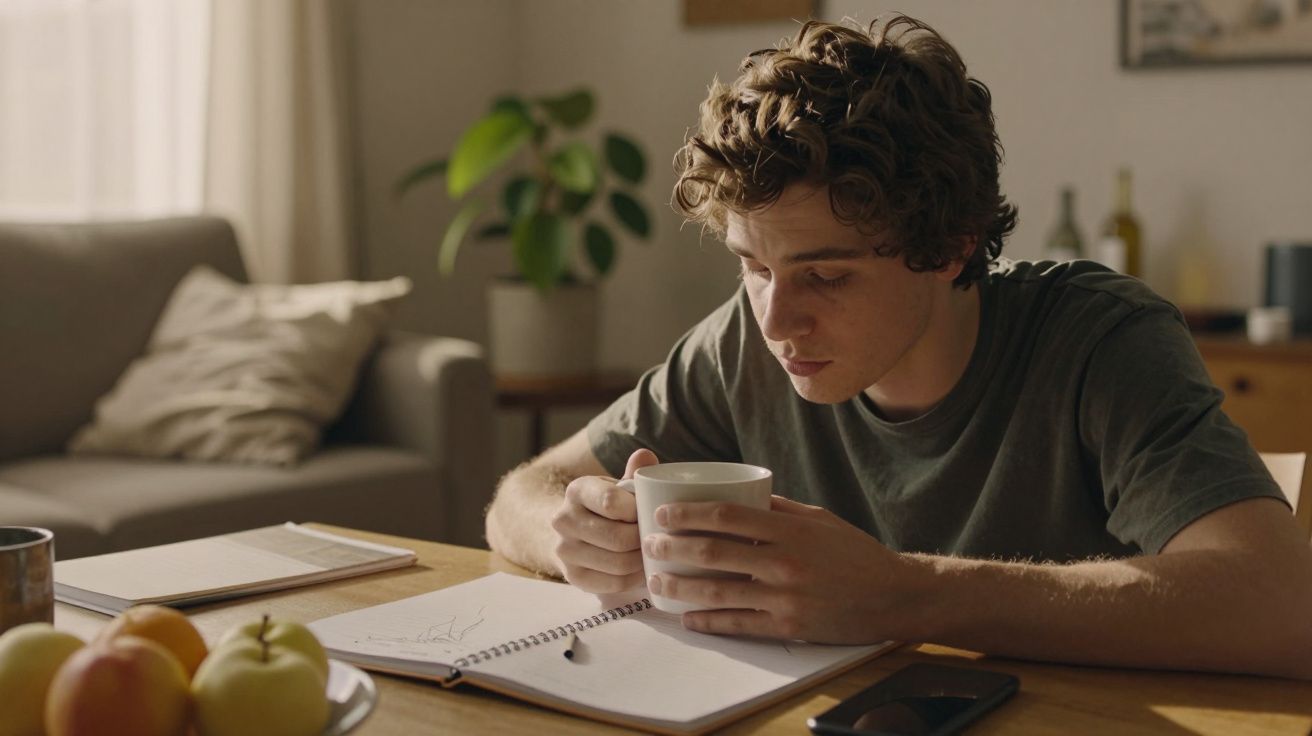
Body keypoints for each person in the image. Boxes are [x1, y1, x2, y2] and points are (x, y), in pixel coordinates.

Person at [485, 14, 1312, 678]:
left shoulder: (1100, 340)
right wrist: (580, 529)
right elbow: (524, 492)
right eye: (751, 265)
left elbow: (1282, 603)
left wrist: (906, 595)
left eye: (829, 277)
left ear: (952, 246)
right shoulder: (745, 338)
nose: (777, 322)